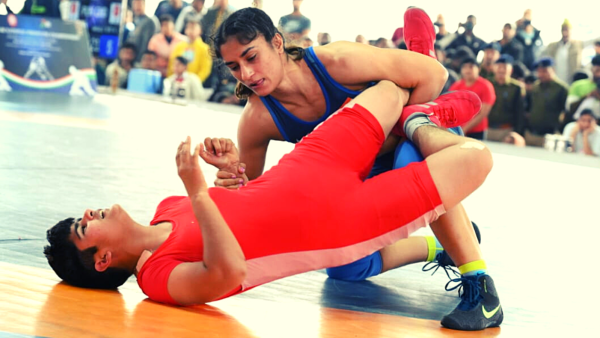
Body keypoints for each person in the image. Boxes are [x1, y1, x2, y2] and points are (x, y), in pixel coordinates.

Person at [45, 80, 501, 331]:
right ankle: (423, 122)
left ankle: (415, 116)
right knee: (475, 159)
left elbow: (247, 211)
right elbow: (229, 272)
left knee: (390, 88)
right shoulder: (158, 279)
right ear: (104, 260)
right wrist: (201, 192)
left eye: (82, 217)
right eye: (84, 229)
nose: (89, 214)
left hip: (306, 167)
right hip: (340, 222)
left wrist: (230, 174)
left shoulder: (169, 206)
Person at [207, 7, 499, 330]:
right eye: (234, 67)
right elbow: (255, 203)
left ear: (277, 42)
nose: (246, 74)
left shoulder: (337, 61)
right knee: (346, 266)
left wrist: (398, 127)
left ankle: (481, 288)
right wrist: (231, 179)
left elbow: (435, 75)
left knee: (410, 157)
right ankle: (442, 246)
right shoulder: (257, 120)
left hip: (418, 140)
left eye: (251, 57)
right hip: (358, 175)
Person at [524, 57, 569, 146]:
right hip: (532, 133)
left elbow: (566, 113)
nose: (541, 74)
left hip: (549, 136)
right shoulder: (536, 86)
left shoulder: (561, 89)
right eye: (539, 71)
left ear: (553, 70)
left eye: (544, 71)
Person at [449, 58, 496, 140]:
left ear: (478, 69)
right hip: (457, 130)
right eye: (464, 67)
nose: (467, 70)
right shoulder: (456, 86)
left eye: (471, 67)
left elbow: (483, 113)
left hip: (477, 131)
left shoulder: (486, 86)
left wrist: (465, 129)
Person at [487, 55, 525, 141]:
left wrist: (517, 133)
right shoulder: (487, 84)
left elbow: (519, 112)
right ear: (494, 68)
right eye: (499, 67)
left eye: (504, 67)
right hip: (488, 129)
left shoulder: (516, 88)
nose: (501, 70)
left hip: (506, 131)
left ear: (510, 70)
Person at [167, 19, 212, 84]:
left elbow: (205, 70)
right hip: (177, 82)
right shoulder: (179, 46)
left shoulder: (205, 48)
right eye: (188, 28)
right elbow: (171, 64)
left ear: (200, 31)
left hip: (194, 84)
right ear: (185, 30)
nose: (190, 31)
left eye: (193, 28)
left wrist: (194, 82)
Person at [542, 19, 583, 85]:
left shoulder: (577, 44)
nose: (565, 33)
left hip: (571, 81)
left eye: (567, 30)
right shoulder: (552, 46)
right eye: (563, 30)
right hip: (556, 81)